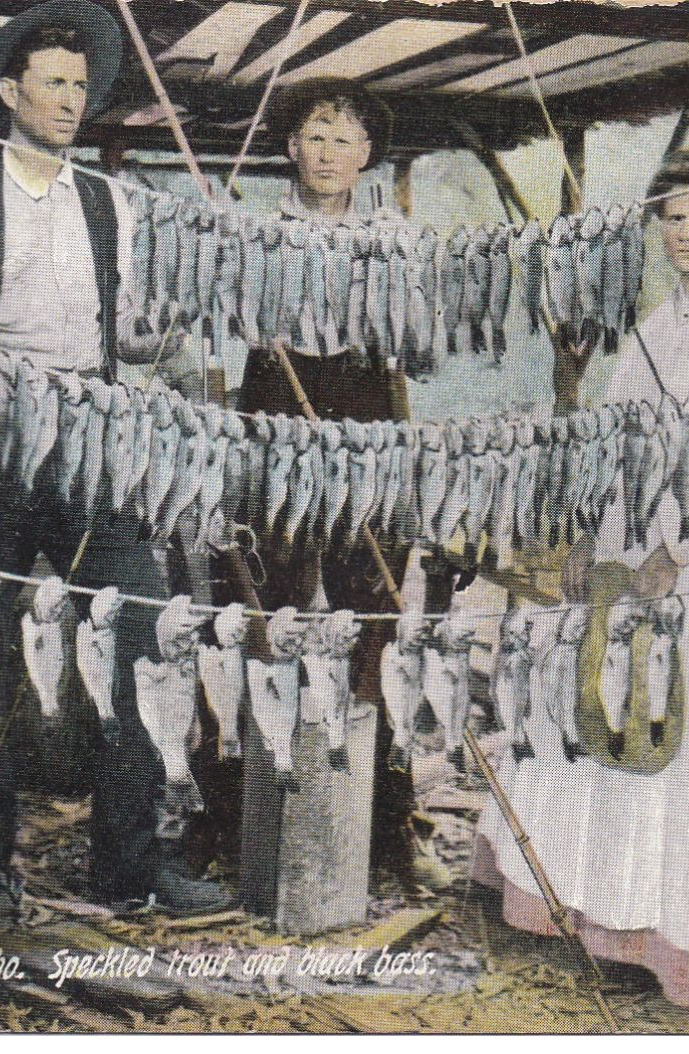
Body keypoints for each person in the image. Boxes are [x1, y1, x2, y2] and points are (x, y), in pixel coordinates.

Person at [0, 0, 228, 928]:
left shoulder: (109, 201)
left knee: (145, 628)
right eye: (54, 83)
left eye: (82, 85)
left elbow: (130, 333)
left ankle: (129, 864)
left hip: (91, 443)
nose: (72, 100)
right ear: (9, 92)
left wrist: (177, 321)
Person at [473, 144, 689, 1006]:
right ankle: (596, 914)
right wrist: (586, 536)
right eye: (674, 216)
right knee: (592, 706)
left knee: (673, 735)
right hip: (625, 552)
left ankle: (677, 947)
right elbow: (609, 446)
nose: (686, 232)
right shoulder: (659, 324)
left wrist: (673, 556)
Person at [225, 76, 451, 891]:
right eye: (313, 135)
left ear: (366, 157)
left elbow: (420, 347)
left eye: (342, 138)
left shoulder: (397, 239)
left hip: (369, 426)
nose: (325, 152)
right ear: (290, 148)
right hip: (274, 421)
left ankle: (391, 825)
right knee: (260, 612)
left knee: (377, 620)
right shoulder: (253, 234)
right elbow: (227, 322)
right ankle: (236, 812)